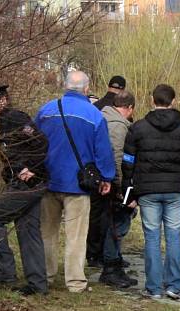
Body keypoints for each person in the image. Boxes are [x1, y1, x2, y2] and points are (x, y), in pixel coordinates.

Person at [35, 71, 115, 293]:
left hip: (48, 180)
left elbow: (33, 143)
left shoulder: (46, 110)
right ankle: (75, 282)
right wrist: (106, 177)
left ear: (65, 86)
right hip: (79, 184)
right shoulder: (94, 115)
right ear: (87, 89)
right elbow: (103, 151)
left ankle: (46, 275)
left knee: (47, 232)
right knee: (76, 236)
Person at [122, 84, 180, 300]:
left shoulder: (137, 128)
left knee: (152, 238)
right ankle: (174, 286)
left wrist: (129, 195)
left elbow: (127, 163)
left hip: (147, 192)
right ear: (173, 101)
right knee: (174, 237)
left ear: (151, 100)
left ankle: (154, 288)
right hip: (175, 191)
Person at [0, 85, 49, 296]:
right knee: (27, 230)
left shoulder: (13, 118)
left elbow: (40, 142)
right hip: (33, 183)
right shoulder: (6, 121)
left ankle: (5, 272)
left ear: (4, 100)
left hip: (27, 184)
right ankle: (37, 284)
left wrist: (25, 169)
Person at [98, 91, 138, 288]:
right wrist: (123, 188)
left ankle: (114, 262)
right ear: (129, 108)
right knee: (118, 224)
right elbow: (117, 158)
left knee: (112, 224)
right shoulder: (118, 126)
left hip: (105, 182)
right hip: (114, 184)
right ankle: (110, 268)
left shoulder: (104, 117)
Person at [87, 75, 127, 267]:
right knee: (109, 215)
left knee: (94, 214)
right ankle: (106, 255)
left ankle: (92, 253)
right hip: (109, 172)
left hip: (91, 170)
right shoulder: (121, 112)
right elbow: (118, 151)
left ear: (108, 86)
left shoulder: (95, 108)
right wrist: (119, 181)